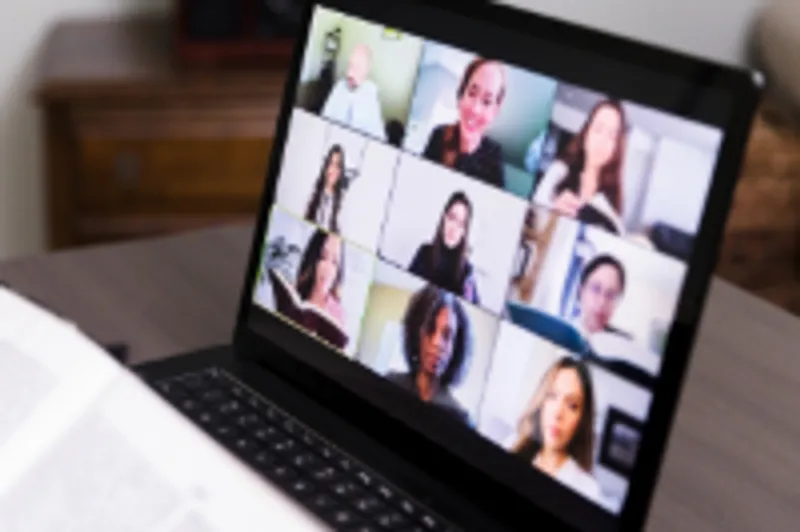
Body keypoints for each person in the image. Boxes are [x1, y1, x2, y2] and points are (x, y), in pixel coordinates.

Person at [511, 356, 602, 503]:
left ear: (582, 419)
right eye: (552, 396)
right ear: (541, 402)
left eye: (572, 405)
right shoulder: (513, 444)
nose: (558, 413)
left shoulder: (587, 489)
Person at [533, 99, 627, 233]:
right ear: (586, 133)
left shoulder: (612, 201)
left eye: (612, 136)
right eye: (598, 129)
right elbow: (532, 220)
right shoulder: (559, 171)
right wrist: (553, 210)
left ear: (617, 147)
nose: (602, 141)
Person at [385, 285, 473, 425]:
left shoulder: (459, 418)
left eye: (447, 335)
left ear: (456, 347)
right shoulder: (389, 385)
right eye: (430, 330)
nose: (437, 343)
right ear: (415, 334)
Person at [422, 58, 506, 189]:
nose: (475, 109)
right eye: (472, 94)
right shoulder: (438, 134)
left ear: (494, 112)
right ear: (461, 96)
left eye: (487, 102)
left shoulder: (495, 155)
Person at [409, 192, 480, 304]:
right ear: (444, 218)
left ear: (464, 231)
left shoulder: (467, 271)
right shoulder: (424, 252)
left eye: (461, 224)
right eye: (452, 217)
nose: (454, 228)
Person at [321, 44, 387, 141]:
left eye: (357, 68)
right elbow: (323, 119)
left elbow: (380, 138)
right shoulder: (339, 87)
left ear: (367, 70)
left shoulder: (371, 93)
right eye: (350, 65)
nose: (349, 73)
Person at [296, 229, 346, 328]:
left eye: (335, 262)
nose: (328, 268)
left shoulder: (338, 315)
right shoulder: (296, 295)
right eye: (323, 257)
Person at [574, 254, 628, 339]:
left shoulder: (622, 345)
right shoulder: (562, 336)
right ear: (582, 291)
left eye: (611, 295)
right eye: (596, 289)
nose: (602, 302)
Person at [305, 144, 346, 233]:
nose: (332, 170)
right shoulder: (313, 191)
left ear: (341, 171)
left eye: (337, 166)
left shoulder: (341, 201)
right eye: (330, 163)